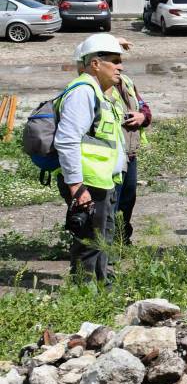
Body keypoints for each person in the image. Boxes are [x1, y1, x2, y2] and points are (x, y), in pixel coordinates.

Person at [54, 34, 128, 282]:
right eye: (114, 61)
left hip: (102, 181)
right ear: (96, 63)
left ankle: (101, 284)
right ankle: (85, 292)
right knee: (89, 242)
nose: (120, 66)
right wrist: (76, 185)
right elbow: (66, 139)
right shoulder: (83, 92)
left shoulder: (100, 93)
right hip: (87, 183)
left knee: (102, 239)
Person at [109, 37, 151, 244]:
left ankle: (122, 240)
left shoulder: (127, 82)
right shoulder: (95, 85)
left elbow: (145, 108)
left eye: (120, 61)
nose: (120, 66)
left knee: (127, 200)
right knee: (111, 203)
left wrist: (142, 117)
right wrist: (107, 41)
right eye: (115, 61)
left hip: (130, 153)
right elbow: (82, 59)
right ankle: (106, 246)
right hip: (111, 156)